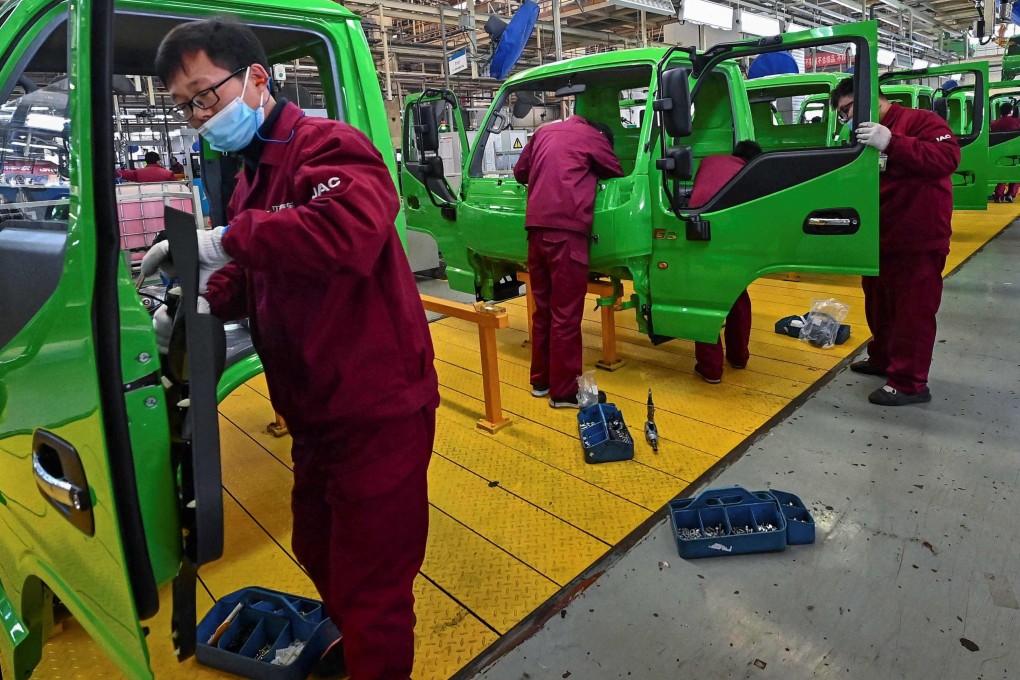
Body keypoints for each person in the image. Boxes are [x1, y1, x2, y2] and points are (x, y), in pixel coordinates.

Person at [147, 17, 439, 679]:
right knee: (316, 544)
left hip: (375, 409)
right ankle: (360, 643)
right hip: (315, 415)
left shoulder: (328, 146)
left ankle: (374, 650)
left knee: (374, 583)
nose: (199, 117)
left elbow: (349, 229)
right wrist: (197, 299)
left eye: (205, 96)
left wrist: (225, 240)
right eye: (186, 107)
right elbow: (255, 273)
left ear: (256, 78)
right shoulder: (255, 178)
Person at [830, 78, 961, 406]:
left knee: (911, 311)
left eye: (848, 109)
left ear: (869, 98)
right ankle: (884, 359)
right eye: (842, 114)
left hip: (917, 237)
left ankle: (909, 382)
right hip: (880, 239)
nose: (847, 118)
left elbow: (947, 158)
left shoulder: (921, 122)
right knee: (879, 304)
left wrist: (893, 143)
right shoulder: (862, 137)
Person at [513, 114, 623, 408]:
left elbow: (519, 173)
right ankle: (564, 393)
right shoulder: (592, 137)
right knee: (566, 315)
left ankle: (541, 381)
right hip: (567, 233)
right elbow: (616, 171)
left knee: (544, 311)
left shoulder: (543, 132)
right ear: (601, 135)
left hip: (535, 233)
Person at [689, 140, 762, 384]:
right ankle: (739, 357)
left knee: (705, 301)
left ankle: (710, 369)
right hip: (734, 238)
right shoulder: (750, 172)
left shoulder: (711, 161)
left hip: (700, 233)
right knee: (737, 296)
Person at [990, 102, 1020, 202]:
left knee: (1002, 173)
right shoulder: (1017, 121)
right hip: (1015, 150)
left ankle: (999, 195)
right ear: (1011, 111)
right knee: (1016, 173)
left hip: (999, 151)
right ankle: (1011, 194)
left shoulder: (994, 123)